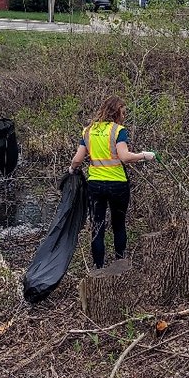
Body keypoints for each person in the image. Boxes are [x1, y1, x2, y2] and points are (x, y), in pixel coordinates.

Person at [68, 96, 156, 268]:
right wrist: (144, 155)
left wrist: (72, 170)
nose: (124, 116)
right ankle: (120, 264)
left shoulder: (88, 130)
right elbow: (124, 157)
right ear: (116, 113)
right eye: (122, 113)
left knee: (97, 227)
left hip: (95, 185)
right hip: (117, 185)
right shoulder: (118, 130)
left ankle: (99, 269)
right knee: (119, 225)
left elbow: (78, 159)